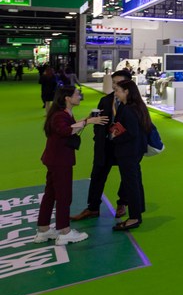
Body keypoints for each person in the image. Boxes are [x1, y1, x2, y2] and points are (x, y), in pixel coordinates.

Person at [33, 86, 108, 245]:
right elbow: (66, 131)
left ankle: (43, 229)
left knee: (51, 194)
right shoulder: (60, 115)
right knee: (64, 196)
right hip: (60, 160)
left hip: (55, 159)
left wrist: (87, 119)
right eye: (76, 94)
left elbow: (70, 127)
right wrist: (88, 121)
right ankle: (64, 231)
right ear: (67, 98)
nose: (79, 96)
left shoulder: (62, 113)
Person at [72, 69, 132, 222]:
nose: (115, 86)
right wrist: (98, 136)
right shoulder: (105, 100)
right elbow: (98, 120)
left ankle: (122, 203)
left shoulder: (133, 103)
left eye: (118, 82)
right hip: (105, 145)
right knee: (97, 176)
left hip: (124, 147)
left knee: (127, 176)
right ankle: (93, 207)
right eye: (113, 82)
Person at [109, 80, 150, 230]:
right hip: (135, 151)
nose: (116, 93)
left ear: (126, 91)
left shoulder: (128, 109)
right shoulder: (137, 107)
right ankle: (137, 211)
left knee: (131, 184)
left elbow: (131, 133)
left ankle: (134, 217)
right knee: (135, 181)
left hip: (128, 152)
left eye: (118, 90)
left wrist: (115, 137)